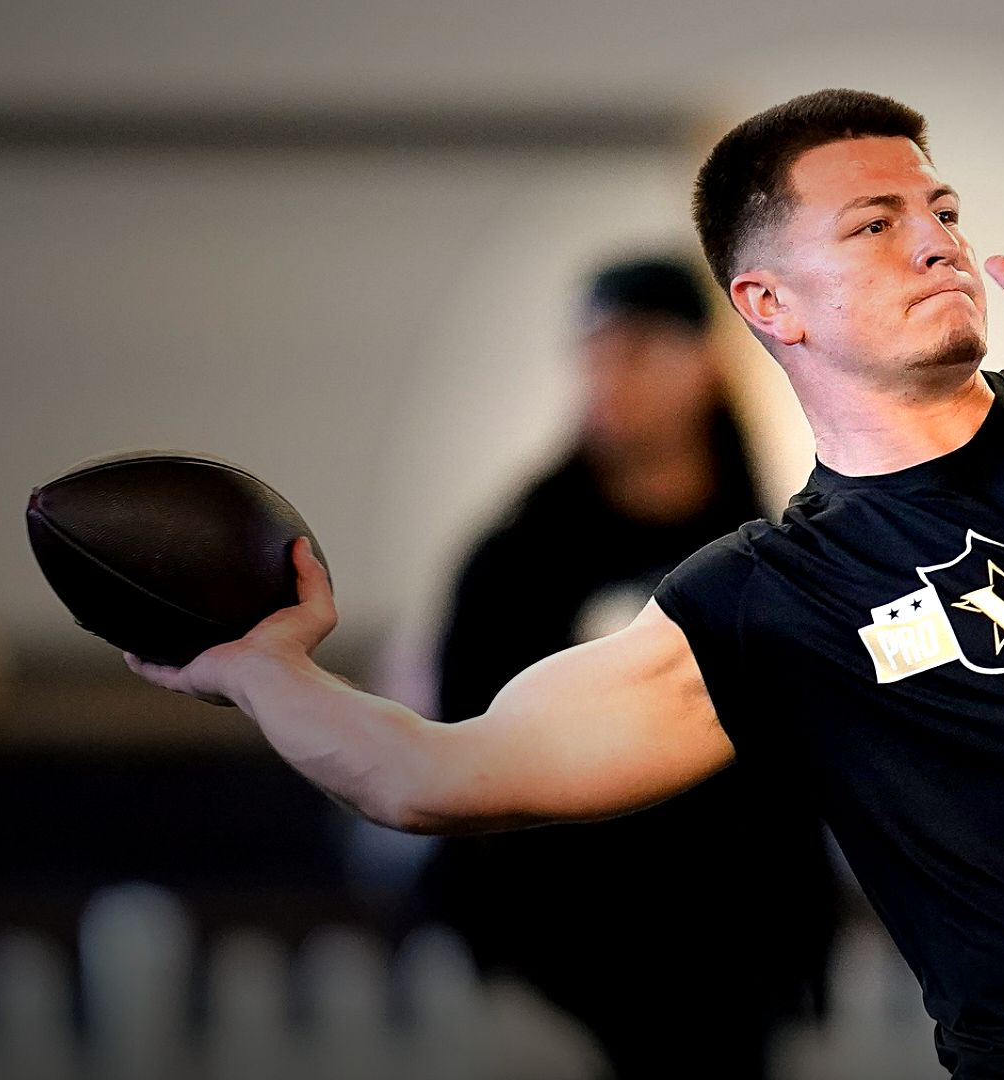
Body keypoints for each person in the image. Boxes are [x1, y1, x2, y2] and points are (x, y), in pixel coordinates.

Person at [124, 78, 1004, 1078]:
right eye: (877, 225)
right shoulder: (770, 598)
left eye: (940, 209)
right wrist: (258, 670)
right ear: (772, 306)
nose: (938, 240)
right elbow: (430, 775)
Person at [415, 256, 834, 1078]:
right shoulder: (520, 557)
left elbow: (799, 772)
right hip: (564, 963)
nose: (608, 377)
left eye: (636, 352)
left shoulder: (761, 553)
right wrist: (492, 960)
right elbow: (460, 754)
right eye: (593, 353)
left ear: (704, 363)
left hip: (731, 966)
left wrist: (805, 949)